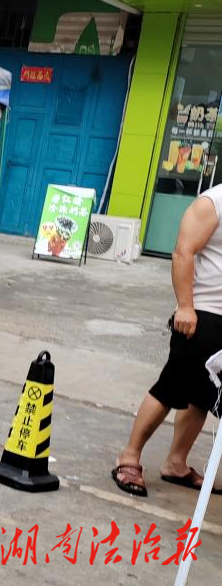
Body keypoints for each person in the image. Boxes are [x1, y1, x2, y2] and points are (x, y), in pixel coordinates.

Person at [113, 183, 222, 497]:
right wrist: (185, 306)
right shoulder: (212, 202)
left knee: (202, 397)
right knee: (171, 386)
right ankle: (129, 457)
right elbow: (183, 251)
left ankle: (176, 463)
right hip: (202, 314)